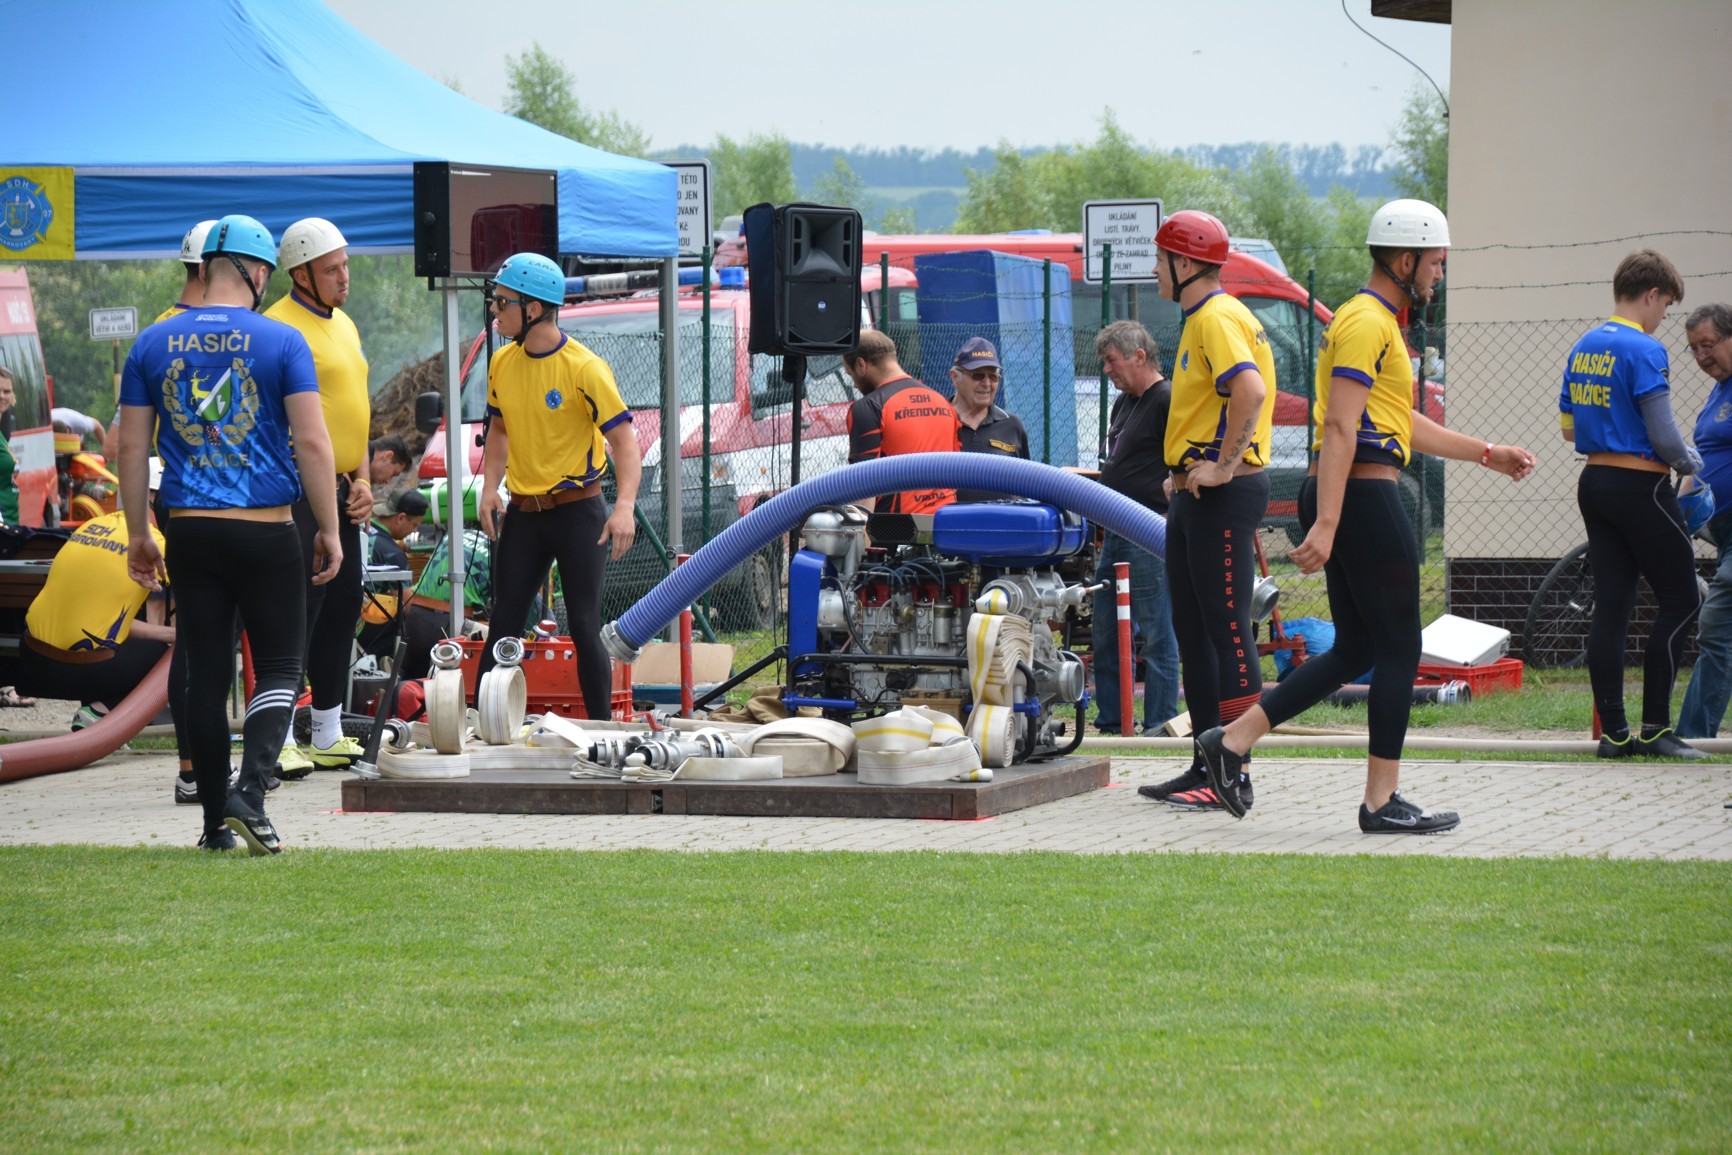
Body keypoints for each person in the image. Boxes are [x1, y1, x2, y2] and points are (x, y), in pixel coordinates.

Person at [1195, 199, 1537, 832]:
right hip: (1361, 494)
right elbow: (1340, 426)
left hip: (1355, 490)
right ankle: (1380, 803)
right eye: (1436, 263)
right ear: (1405, 260)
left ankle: (1232, 740)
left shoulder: (1374, 322)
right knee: (1402, 646)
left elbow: (1397, 421)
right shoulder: (1366, 321)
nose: (1440, 274)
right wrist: (1327, 522)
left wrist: (1487, 454)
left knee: (1357, 647)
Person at [119, 213, 342, 855]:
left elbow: (130, 448)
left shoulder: (152, 343)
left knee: (207, 675)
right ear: (258, 271)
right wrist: (329, 527)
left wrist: (139, 534)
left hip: (189, 532)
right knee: (281, 665)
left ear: (206, 268)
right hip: (266, 531)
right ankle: (251, 793)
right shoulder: (282, 341)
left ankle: (215, 824)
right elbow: (311, 442)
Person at [1143, 210, 1278, 810]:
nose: (1154, 269)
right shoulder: (1206, 317)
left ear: (1185, 262)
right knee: (1193, 634)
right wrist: (1182, 470)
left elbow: (1250, 390)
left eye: (1160, 258)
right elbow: (1211, 404)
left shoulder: (1217, 317)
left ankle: (1234, 770)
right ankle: (1205, 765)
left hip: (1223, 494)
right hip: (1195, 496)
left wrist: (1223, 466)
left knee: (1227, 633)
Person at [475, 252, 641, 720]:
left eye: (502, 302)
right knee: (503, 624)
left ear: (533, 309)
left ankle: (602, 732)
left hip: (577, 513)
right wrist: (490, 488)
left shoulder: (584, 368)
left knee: (585, 626)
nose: (494, 310)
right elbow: (499, 429)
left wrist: (624, 507)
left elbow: (625, 444)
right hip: (524, 514)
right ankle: (481, 727)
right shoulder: (502, 362)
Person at [1555, 250, 1705, 760]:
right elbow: (1663, 433)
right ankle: (1658, 729)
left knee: (1613, 605)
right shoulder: (1645, 349)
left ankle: (1615, 735)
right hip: (1642, 486)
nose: (1663, 318)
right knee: (1683, 599)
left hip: (1594, 481)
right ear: (1651, 294)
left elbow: (1569, 428)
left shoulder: (1583, 346)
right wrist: (1689, 461)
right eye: (1666, 306)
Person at [264, 217, 372, 772]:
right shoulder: (276, 326)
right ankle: (279, 736)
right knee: (295, 615)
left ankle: (327, 733)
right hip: (294, 492)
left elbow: (356, 409)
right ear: (301, 274)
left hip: (342, 491)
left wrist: (365, 480)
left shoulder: (345, 324)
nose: (344, 276)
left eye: (346, 265)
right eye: (332, 269)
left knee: (342, 609)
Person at [17, 459, 173, 725]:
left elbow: (102, 619)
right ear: (155, 499)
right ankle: (102, 710)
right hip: (84, 669)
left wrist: (169, 634)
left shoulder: (89, 526)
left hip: (32, 660)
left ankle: (93, 717)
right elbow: (208, 588)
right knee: (168, 654)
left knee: (106, 639)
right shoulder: (155, 542)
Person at [1087, 321, 1180, 740]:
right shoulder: (1124, 404)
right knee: (1106, 631)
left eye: (1112, 361)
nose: (1107, 369)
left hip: (1148, 532)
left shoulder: (1167, 399)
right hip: (1115, 530)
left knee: (1156, 632)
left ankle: (1159, 723)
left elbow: (1184, 462)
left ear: (1139, 356)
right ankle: (1112, 721)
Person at [108, 220, 216, 463]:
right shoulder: (217, 329)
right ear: (207, 270)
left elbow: (122, 440)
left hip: (175, 474)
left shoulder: (158, 330)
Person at [1679, 304, 1732, 738]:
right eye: (1694, 349)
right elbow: (1699, 462)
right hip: (1722, 531)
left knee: (1716, 627)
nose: (1701, 357)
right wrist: (1677, 509)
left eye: (1708, 345)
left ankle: (1694, 736)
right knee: (1718, 631)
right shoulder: (1718, 394)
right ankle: (1694, 735)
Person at [843, 329, 960, 513]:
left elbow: (863, 488)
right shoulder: (943, 403)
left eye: (851, 375)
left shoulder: (869, 407)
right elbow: (957, 471)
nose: (855, 384)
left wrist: (854, 528)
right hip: (946, 521)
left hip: (897, 527)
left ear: (860, 365)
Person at [398, 525, 495, 681]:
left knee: (411, 683)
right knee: (448, 686)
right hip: (454, 625)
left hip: (416, 617)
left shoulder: (459, 532)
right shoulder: (502, 550)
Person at [948, 337, 1030, 502]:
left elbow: (1027, 485)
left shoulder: (1012, 425)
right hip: (949, 518)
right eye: (978, 375)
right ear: (955, 377)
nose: (986, 383)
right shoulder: (937, 422)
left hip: (1002, 518)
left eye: (993, 377)